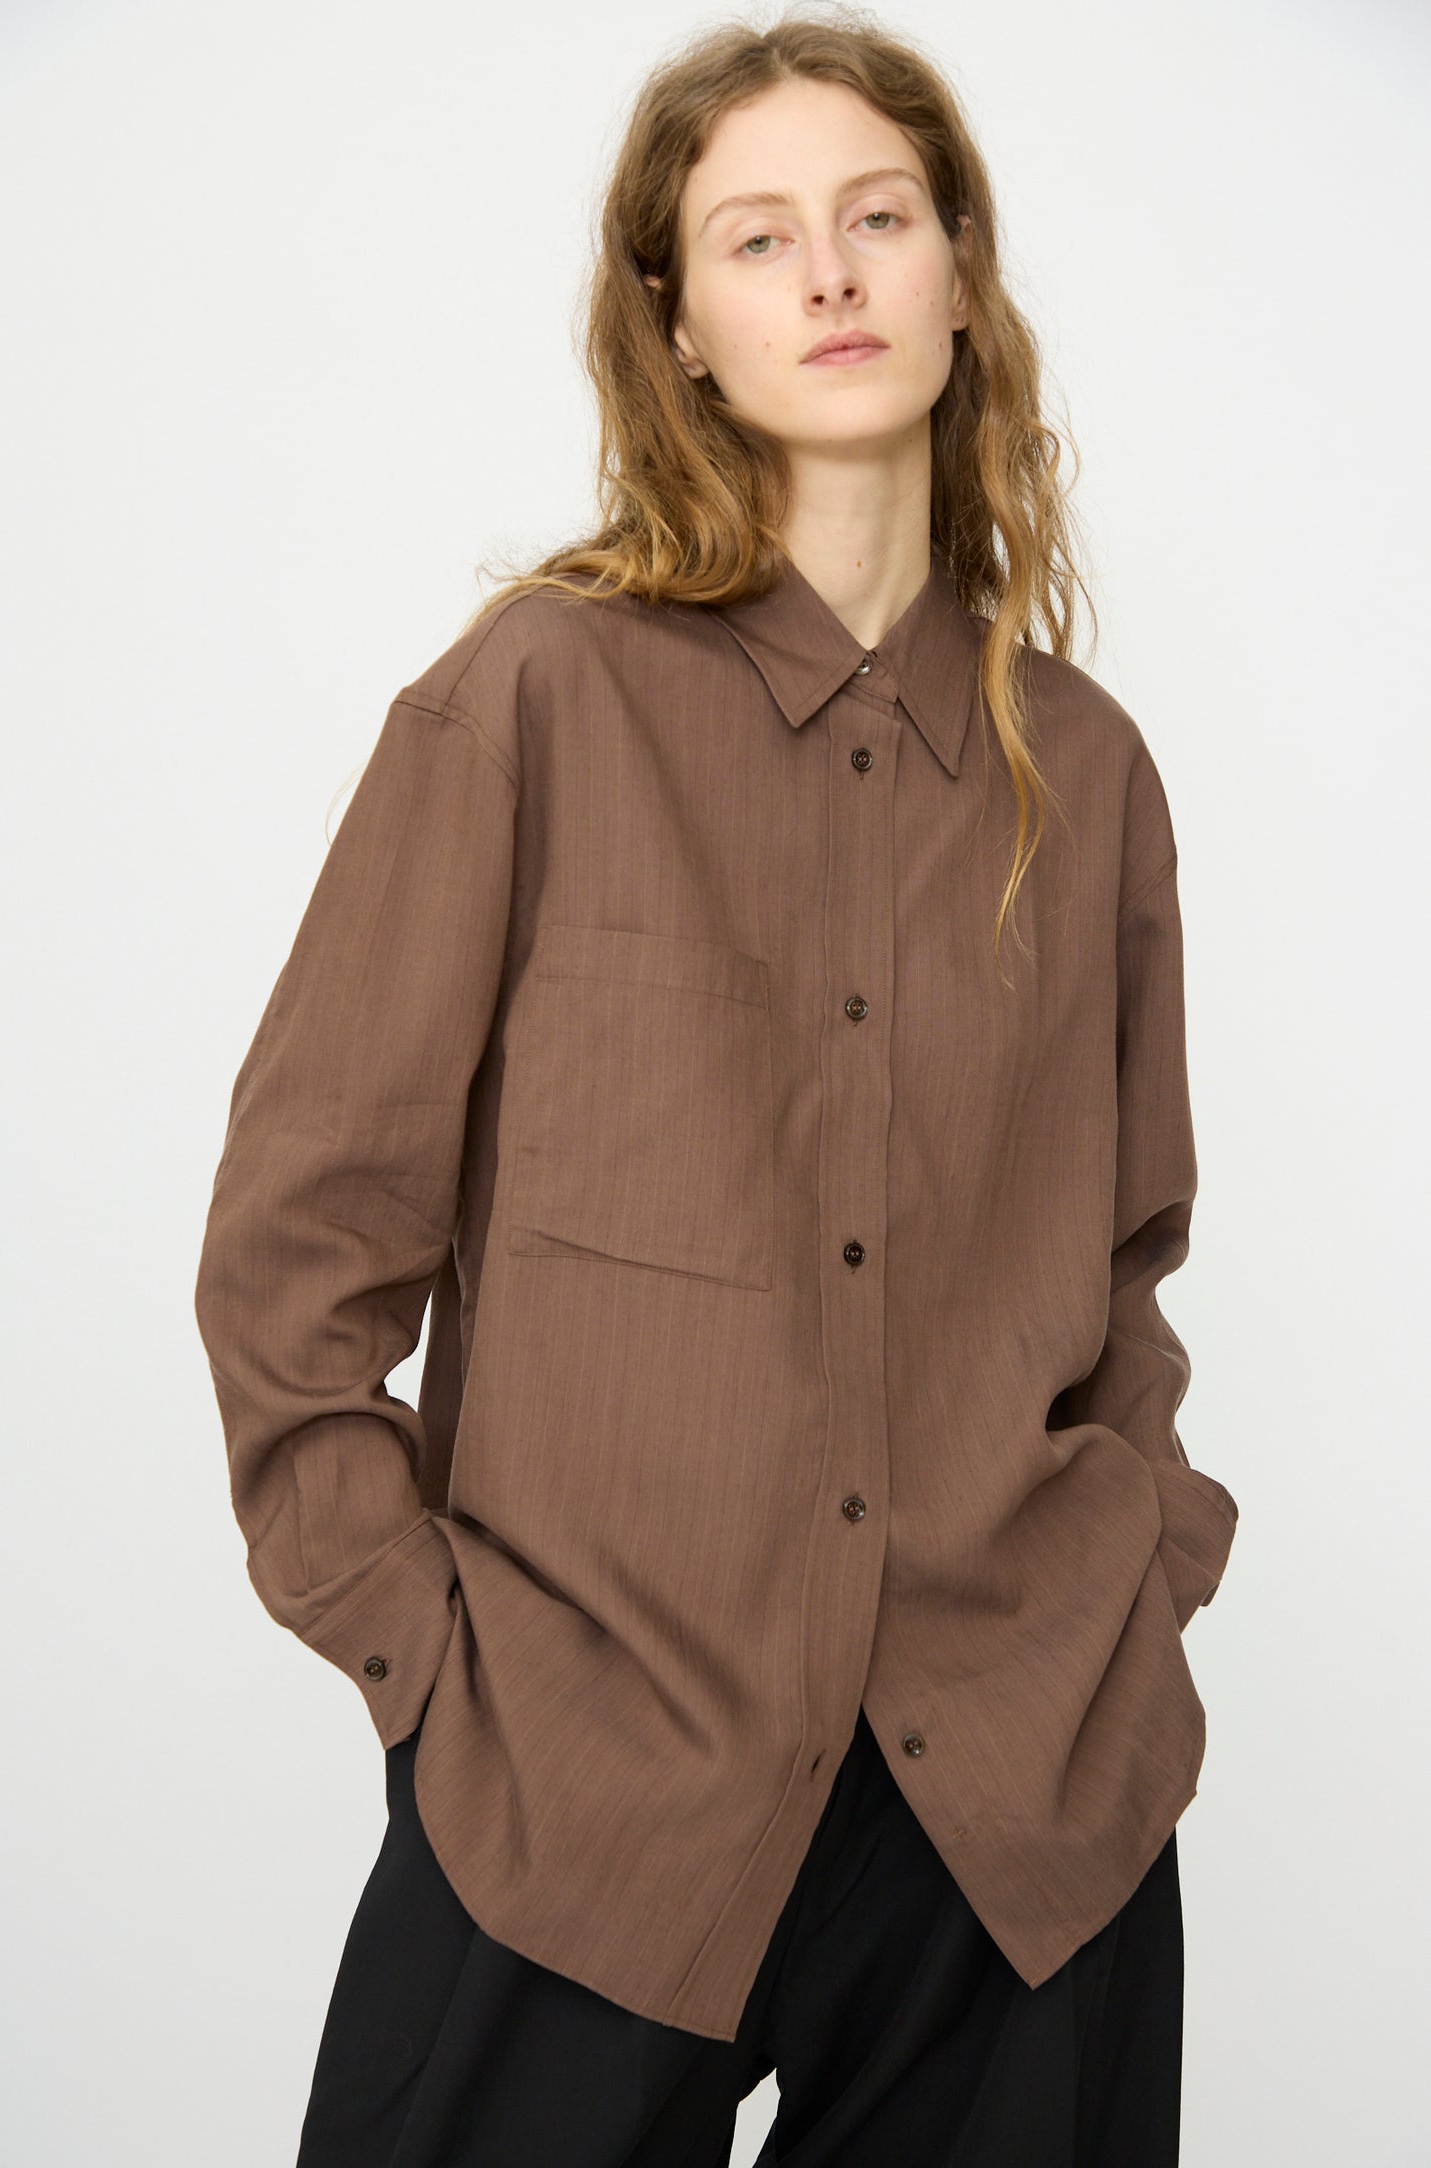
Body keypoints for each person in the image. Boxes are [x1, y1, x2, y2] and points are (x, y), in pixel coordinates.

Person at [194, 8, 1240, 2164]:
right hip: (586, 1784)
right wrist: (432, 1678)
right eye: (758, 240)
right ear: (680, 330)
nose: (833, 277)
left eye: (877, 218)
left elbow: (1129, 1255)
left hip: (1013, 1822)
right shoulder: (535, 703)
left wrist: (1136, 1578)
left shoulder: (1092, 771)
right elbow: (299, 1250)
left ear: (961, 267)